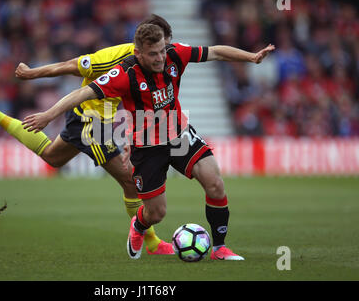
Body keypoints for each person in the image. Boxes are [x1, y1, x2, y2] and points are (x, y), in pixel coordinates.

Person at [21, 23, 275, 260]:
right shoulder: (123, 73)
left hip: (177, 133)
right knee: (157, 213)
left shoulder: (175, 54)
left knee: (215, 182)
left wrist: (251, 57)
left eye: (162, 51)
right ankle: (139, 224)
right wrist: (48, 115)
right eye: (153, 54)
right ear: (139, 53)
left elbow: (216, 52)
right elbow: (82, 93)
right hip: (146, 145)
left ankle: (219, 248)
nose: (160, 58)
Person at [0, 15, 175, 256]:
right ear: (143, 47)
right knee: (129, 181)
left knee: (53, 157)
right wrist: (33, 74)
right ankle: (153, 243)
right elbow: (72, 65)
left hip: (97, 118)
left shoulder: (157, 63)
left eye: (165, 48)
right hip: (91, 122)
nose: (164, 55)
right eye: (160, 48)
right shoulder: (114, 58)